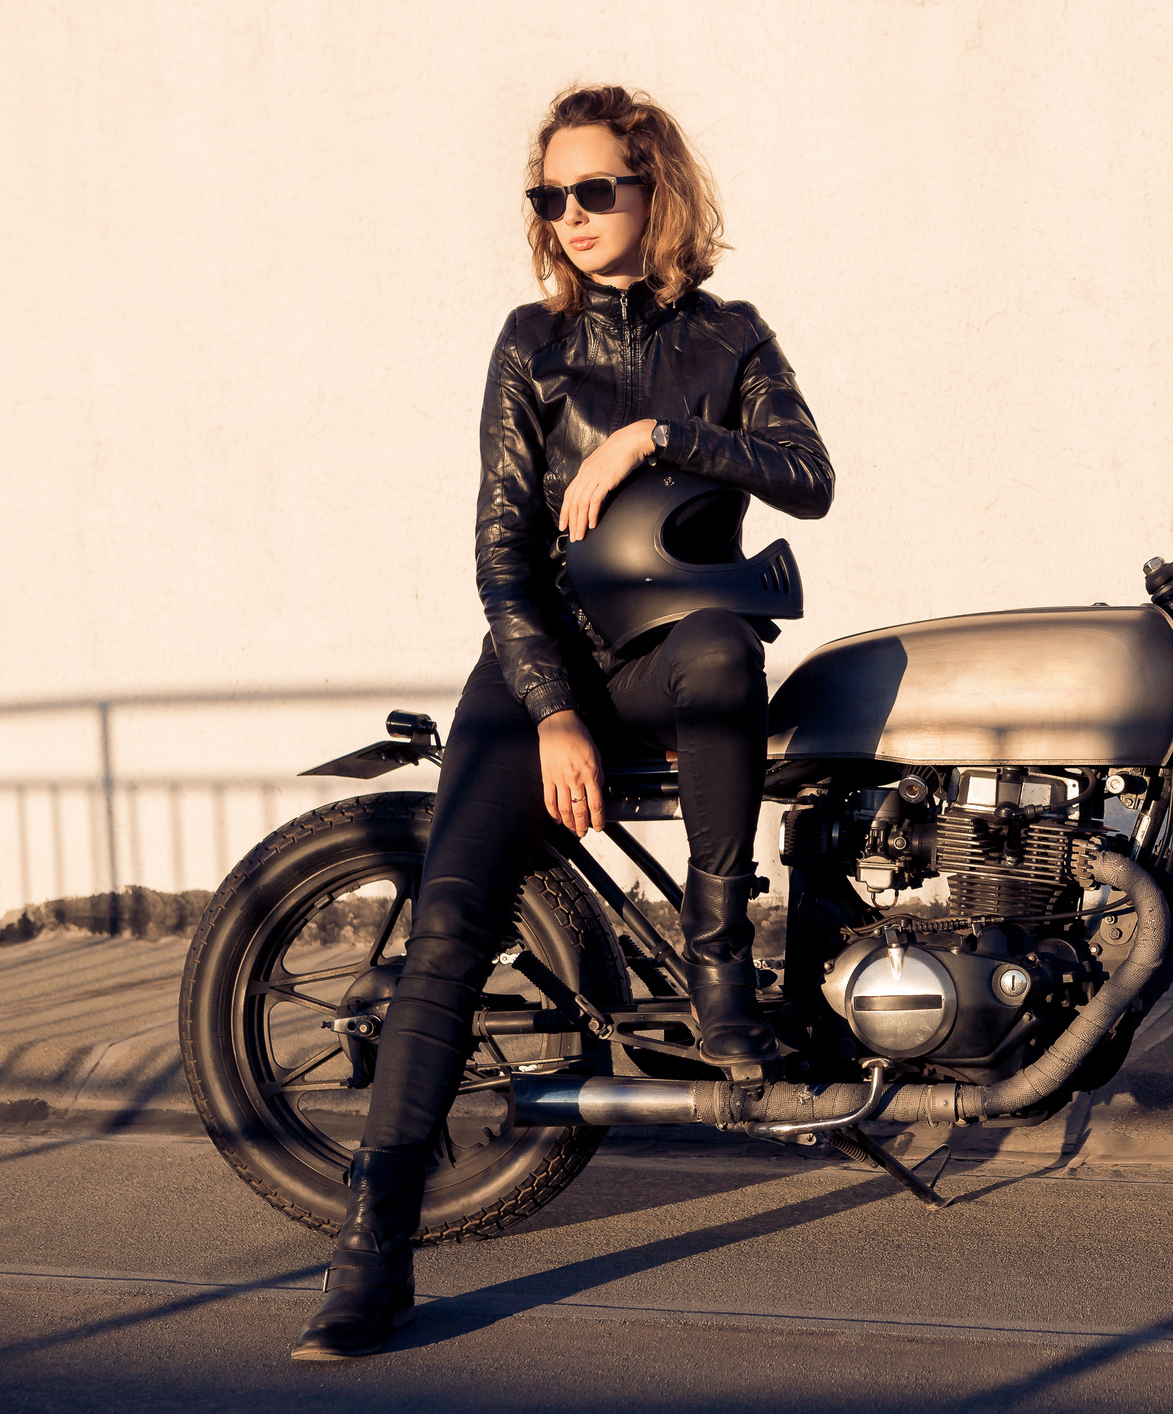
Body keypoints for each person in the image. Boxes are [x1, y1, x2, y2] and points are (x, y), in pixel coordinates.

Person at [292, 84, 833, 1361]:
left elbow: (808, 476)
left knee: (723, 656)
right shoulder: (531, 347)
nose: (572, 215)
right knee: (447, 929)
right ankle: (374, 1247)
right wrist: (549, 713)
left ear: (658, 193)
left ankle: (719, 972)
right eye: (552, 196)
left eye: (597, 189)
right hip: (539, 667)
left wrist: (656, 433)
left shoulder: (733, 336)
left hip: (666, 654)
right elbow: (501, 556)